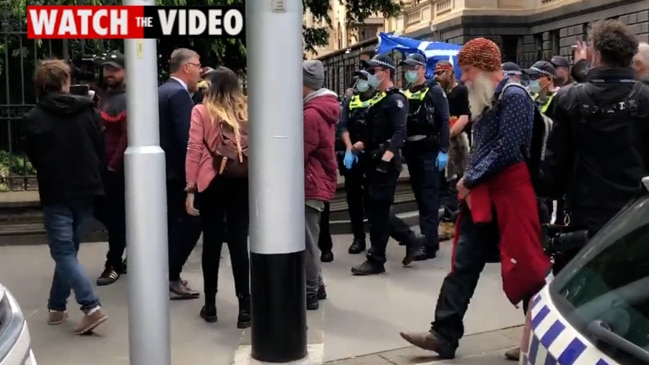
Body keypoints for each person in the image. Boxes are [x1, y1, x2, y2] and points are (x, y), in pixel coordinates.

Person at [399, 38, 551, 359]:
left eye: (467, 71)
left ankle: (536, 338)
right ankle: (443, 335)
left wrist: (470, 178)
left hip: (511, 194)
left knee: (526, 267)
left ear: (484, 68)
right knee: (463, 264)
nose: (464, 78)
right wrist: (471, 179)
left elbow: (507, 151)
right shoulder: (488, 98)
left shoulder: (515, 97)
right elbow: (487, 149)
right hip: (487, 193)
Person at [542, 19, 649, 269]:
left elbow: (555, 168)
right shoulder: (645, 98)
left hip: (585, 217)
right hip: (636, 215)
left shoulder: (569, 98)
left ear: (596, 54)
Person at [23, 59, 108, 334]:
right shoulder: (89, 111)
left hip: (56, 191)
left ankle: (91, 307)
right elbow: (100, 147)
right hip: (87, 189)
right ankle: (57, 307)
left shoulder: (33, 118)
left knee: (62, 251)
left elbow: (34, 157)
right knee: (68, 250)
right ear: (65, 82)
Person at [185, 66, 251, 328]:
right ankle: (245, 306)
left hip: (211, 180)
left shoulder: (201, 111)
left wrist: (190, 188)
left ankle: (211, 304)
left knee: (211, 241)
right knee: (238, 241)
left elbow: (193, 148)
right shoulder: (246, 110)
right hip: (242, 179)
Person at [350, 54, 420, 275]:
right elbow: (377, 131)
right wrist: (364, 143)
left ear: (386, 72)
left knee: (377, 210)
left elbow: (400, 132)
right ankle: (410, 239)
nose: (370, 76)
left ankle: (376, 258)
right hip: (372, 158)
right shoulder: (379, 99)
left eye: (373, 71)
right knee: (375, 208)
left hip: (385, 162)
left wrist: (387, 157)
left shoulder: (395, 99)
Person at [159, 48, 203, 300]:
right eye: (197, 65)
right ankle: (171, 275)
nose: (200, 70)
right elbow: (188, 141)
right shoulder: (178, 95)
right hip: (177, 175)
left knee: (170, 225)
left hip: (163, 173)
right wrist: (192, 182)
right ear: (186, 67)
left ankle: (165, 274)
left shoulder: (161, 91)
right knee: (191, 223)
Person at [399, 53, 450, 260]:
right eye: (407, 69)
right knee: (420, 196)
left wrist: (444, 150)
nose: (409, 72)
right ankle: (426, 238)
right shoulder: (407, 92)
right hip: (412, 151)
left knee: (429, 197)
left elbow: (444, 120)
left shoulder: (434, 91)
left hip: (429, 149)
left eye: (412, 68)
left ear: (421, 68)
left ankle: (430, 245)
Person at [302, 60, 339, 309]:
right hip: (317, 181)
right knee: (310, 239)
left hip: (310, 182)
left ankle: (310, 292)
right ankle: (318, 285)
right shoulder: (321, 108)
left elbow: (299, 153)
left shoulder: (311, 114)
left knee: (307, 242)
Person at [95, 51, 128, 286]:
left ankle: (114, 263)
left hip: (116, 169)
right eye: (106, 69)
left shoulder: (126, 99)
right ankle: (120, 253)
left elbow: (127, 135)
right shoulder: (106, 96)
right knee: (106, 214)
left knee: (115, 217)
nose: (109, 74)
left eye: (114, 70)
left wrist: (113, 165)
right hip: (104, 167)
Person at [435, 61, 470, 226]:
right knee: (446, 180)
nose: (437, 76)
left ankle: (452, 215)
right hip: (444, 143)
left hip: (457, 142)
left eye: (441, 72)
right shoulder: (440, 93)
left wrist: (447, 135)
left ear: (450, 72)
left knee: (455, 179)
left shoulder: (461, 90)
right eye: (436, 73)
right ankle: (449, 212)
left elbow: (464, 117)